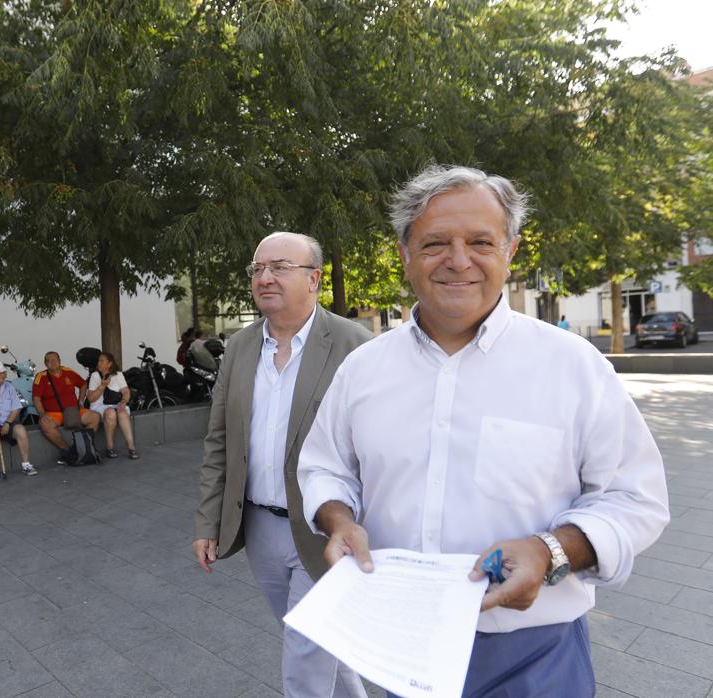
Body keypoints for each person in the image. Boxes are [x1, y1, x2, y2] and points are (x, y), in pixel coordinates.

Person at [298, 165, 670, 697]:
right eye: (434, 243)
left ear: (510, 250)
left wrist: (551, 552)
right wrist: (338, 521)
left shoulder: (574, 367)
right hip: (401, 648)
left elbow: (636, 498)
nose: (458, 260)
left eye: (480, 241)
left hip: (536, 657)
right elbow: (324, 467)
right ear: (404, 254)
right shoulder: (363, 370)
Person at [193, 231, 373, 698]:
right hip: (260, 528)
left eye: (279, 267)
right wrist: (207, 521)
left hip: (323, 528)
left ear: (314, 279)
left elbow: (379, 446)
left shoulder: (356, 344)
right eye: (257, 269)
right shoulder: (239, 347)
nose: (265, 277)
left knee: (305, 653)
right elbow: (220, 440)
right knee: (311, 638)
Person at [32, 351, 100, 462]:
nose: (52, 362)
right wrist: (42, 414)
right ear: (45, 363)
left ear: (59, 360)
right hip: (54, 413)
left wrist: (81, 401)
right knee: (45, 425)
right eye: (48, 360)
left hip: (73, 411)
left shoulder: (68, 372)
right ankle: (67, 450)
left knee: (95, 417)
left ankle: (83, 445)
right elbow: (36, 398)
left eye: (54, 359)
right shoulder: (41, 377)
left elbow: (83, 384)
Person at [84, 351, 139, 460]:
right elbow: (91, 398)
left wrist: (123, 402)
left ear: (109, 364)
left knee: (122, 412)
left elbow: (126, 391)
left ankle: (131, 447)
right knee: (110, 413)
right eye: (98, 361)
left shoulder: (118, 375)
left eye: (101, 361)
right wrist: (102, 386)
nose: (99, 363)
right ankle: (110, 447)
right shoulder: (95, 376)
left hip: (116, 404)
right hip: (99, 406)